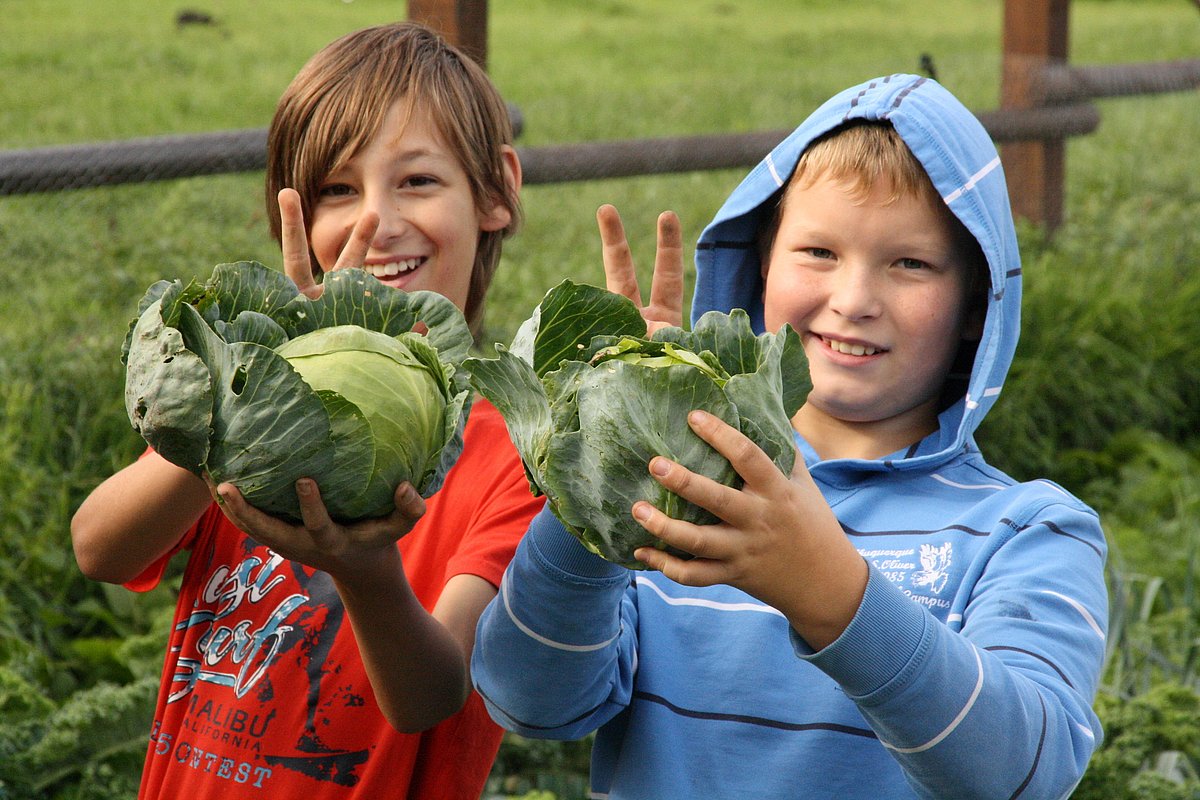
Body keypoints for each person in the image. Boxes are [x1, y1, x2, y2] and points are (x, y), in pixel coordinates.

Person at [471, 74, 1108, 798]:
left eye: (910, 263)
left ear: (975, 302)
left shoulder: (1030, 532)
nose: (854, 299)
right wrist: (605, 459)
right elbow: (531, 702)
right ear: (759, 265)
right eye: (818, 253)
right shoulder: (678, 492)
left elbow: (1024, 773)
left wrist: (833, 594)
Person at [70, 22, 542, 799]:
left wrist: (366, 575)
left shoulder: (516, 455)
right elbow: (101, 551)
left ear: (496, 191)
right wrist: (228, 415)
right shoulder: (256, 393)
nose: (374, 222)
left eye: (417, 181)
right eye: (337, 190)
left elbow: (434, 696)